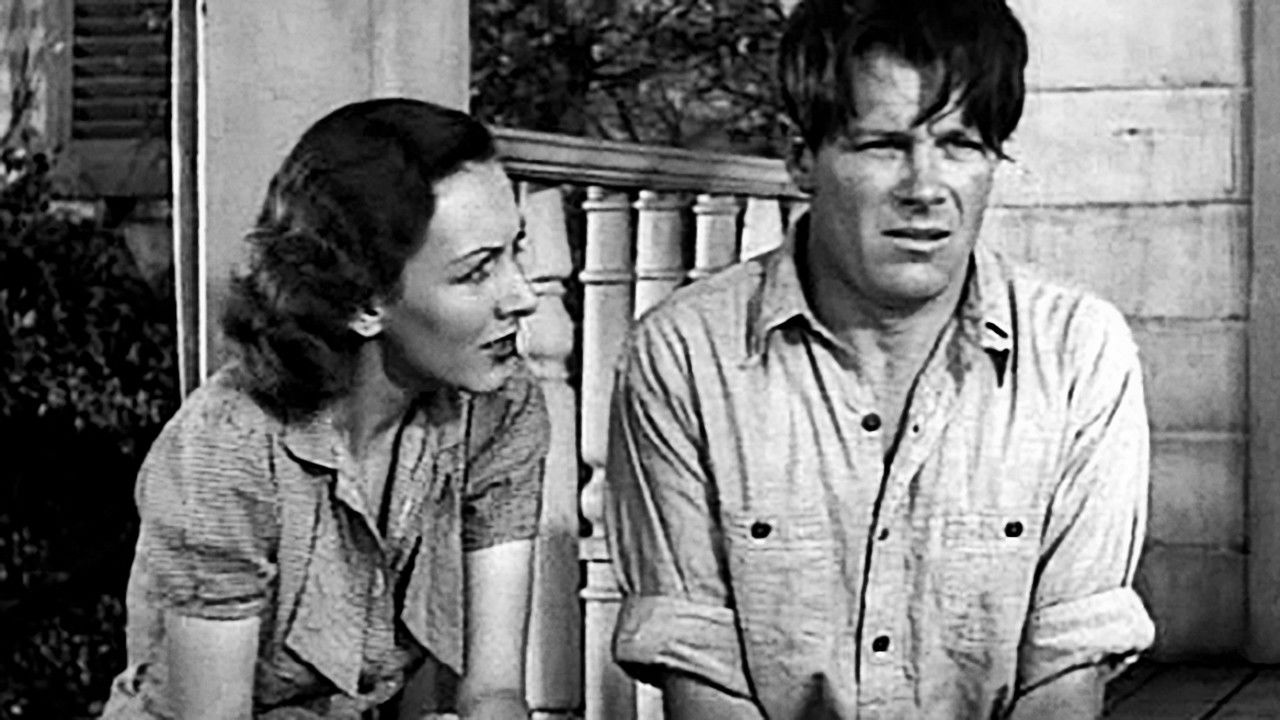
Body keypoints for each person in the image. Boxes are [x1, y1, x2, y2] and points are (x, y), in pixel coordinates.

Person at [604, 0, 1155, 718]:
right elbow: (702, 680)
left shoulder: (1080, 352)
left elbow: (1065, 679)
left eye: (960, 144)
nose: (925, 189)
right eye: (883, 146)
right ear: (801, 157)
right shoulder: (684, 356)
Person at [100, 99, 547, 720]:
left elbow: (495, 693)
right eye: (477, 273)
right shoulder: (225, 450)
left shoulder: (502, 407)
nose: (523, 296)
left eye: (516, 251)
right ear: (364, 302)